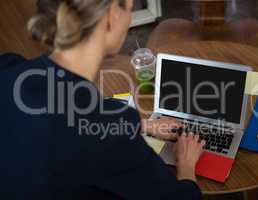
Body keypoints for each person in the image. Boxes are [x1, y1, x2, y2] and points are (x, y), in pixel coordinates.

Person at [0, 0, 205, 199]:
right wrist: (186, 165)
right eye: (130, 9)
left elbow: (63, 114)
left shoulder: (9, 68)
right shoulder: (110, 142)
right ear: (112, 15)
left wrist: (145, 125)